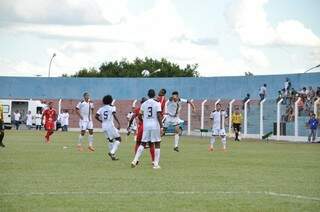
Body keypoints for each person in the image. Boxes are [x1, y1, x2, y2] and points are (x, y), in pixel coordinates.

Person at [131, 89, 163, 169]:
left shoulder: (144, 104)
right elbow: (159, 115)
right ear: (154, 94)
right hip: (155, 125)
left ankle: (135, 160)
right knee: (157, 143)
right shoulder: (157, 103)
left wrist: (144, 120)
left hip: (146, 126)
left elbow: (139, 115)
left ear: (148, 95)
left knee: (143, 143)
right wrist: (161, 127)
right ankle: (156, 164)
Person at [127, 97, 155, 164]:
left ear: (141, 103)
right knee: (151, 144)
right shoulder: (151, 108)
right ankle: (153, 161)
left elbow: (132, 117)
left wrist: (129, 126)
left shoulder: (139, 109)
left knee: (138, 143)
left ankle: (136, 159)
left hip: (142, 127)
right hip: (150, 127)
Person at [95, 95, 122, 160]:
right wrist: (118, 123)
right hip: (110, 125)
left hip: (104, 126)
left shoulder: (101, 109)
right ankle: (112, 152)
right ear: (110, 101)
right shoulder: (112, 107)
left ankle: (113, 156)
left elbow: (96, 116)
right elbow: (114, 115)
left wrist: (101, 121)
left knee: (110, 140)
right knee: (118, 139)